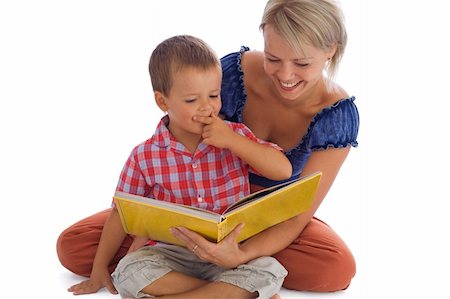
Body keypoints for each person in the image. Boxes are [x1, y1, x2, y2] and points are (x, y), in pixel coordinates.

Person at [57, 0, 359, 295]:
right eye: (273, 58)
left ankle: (223, 276)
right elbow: (182, 124)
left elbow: (297, 211)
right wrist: (147, 226)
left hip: (267, 221)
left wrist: (241, 254)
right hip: (185, 210)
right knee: (75, 245)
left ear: (330, 50)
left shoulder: (337, 115)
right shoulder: (230, 74)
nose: (285, 75)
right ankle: (232, 288)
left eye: (302, 63)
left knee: (333, 268)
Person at [66, 34, 292, 299]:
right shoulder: (144, 155)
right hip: (172, 254)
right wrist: (98, 269)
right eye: (191, 100)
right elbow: (120, 214)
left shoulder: (235, 135)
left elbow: (283, 171)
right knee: (128, 270)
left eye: (213, 95)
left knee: (269, 269)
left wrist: (232, 141)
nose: (207, 108)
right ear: (163, 102)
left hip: (228, 253)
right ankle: (232, 294)